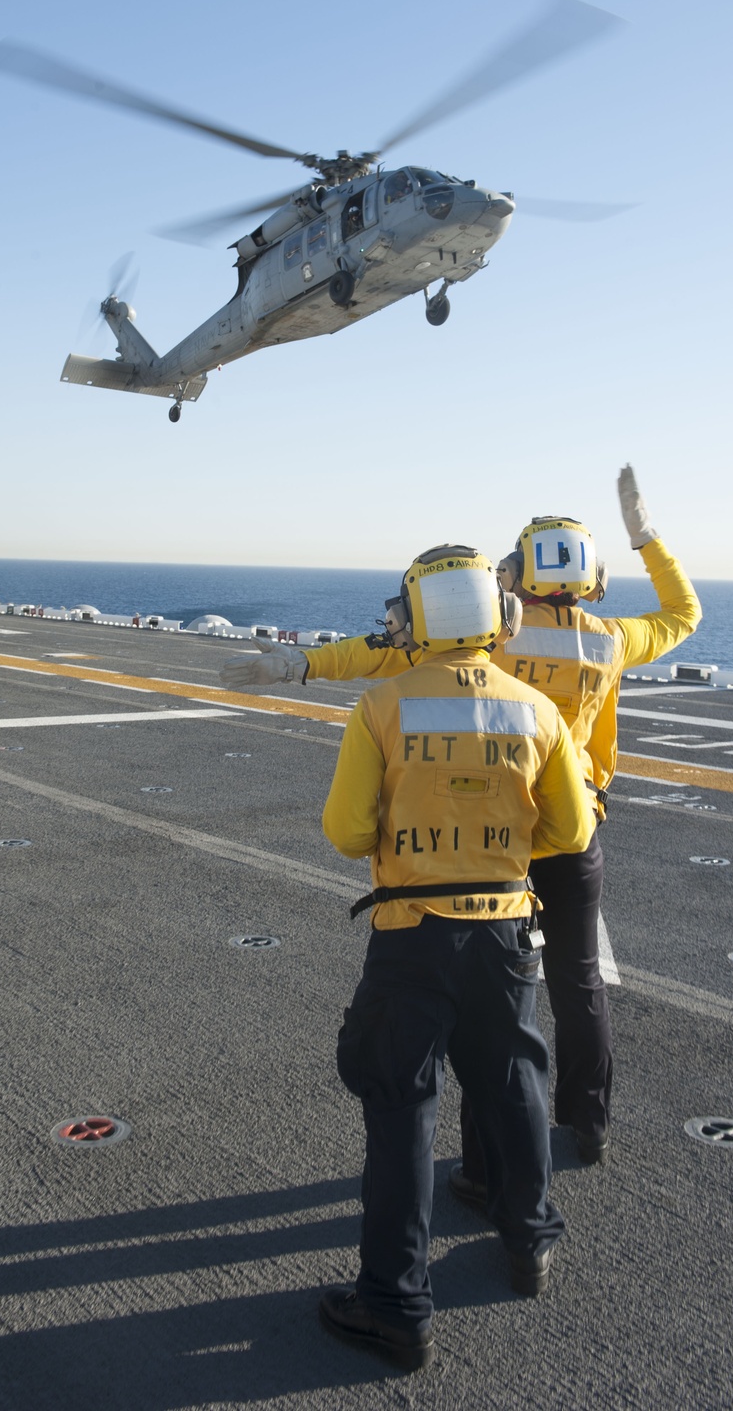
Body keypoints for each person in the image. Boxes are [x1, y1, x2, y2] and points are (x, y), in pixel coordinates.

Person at [225, 467, 701, 1170]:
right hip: (574, 832)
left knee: (497, 1011)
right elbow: (683, 614)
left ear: (517, 574)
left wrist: (299, 665)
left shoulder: (492, 635)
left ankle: (484, 1171)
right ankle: (589, 1124)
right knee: (579, 984)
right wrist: (647, 537)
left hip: (494, 836)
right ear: (590, 573)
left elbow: (385, 650)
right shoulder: (611, 640)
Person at [318, 545, 593, 1371]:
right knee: (514, 1082)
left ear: (419, 619)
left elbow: (346, 833)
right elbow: (571, 832)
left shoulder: (383, 704)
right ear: (500, 617)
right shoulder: (536, 712)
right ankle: (530, 1239)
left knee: (403, 1105)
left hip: (414, 933)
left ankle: (395, 1305)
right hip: (507, 928)